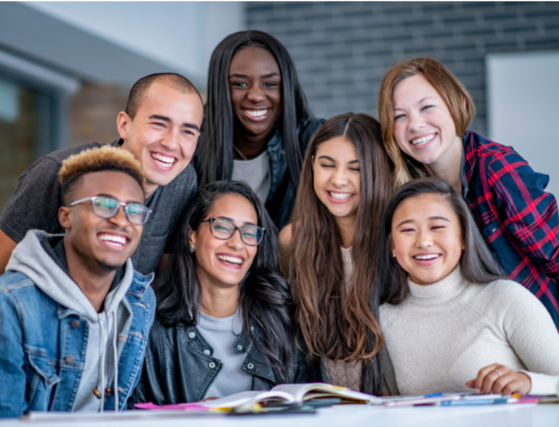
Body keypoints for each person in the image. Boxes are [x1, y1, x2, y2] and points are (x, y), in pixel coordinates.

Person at [378, 57, 559, 369]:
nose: (415, 124)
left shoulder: (495, 168)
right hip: (484, 349)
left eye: (427, 107)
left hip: (545, 339)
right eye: (400, 116)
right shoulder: (415, 192)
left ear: (455, 103)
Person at [378, 177, 559, 396]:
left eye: (437, 226)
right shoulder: (384, 319)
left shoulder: (505, 298)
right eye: (408, 230)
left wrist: (528, 383)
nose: (424, 241)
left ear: (463, 236)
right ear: (392, 245)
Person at [0, 146, 156, 417]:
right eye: (104, 205)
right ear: (66, 216)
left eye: (134, 210)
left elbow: (129, 408)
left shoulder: (140, 300)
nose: (121, 220)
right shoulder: (10, 305)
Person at [0, 73, 204, 276]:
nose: (171, 143)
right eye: (159, 124)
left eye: (187, 132)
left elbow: (161, 281)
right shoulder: (58, 173)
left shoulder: (183, 182)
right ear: (124, 125)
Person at [130, 180, 310, 405]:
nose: (237, 244)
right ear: (191, 236)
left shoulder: (282, 323)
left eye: (249, 232)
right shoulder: (152, 333)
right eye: (223, 226)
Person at [279, 113, 393, 395]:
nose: (338, 180)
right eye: (327, 165)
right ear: (312, 166)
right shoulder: (293, 239)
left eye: (355, 169)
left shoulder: (397, 240)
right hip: (327, 409)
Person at [194, 30, 325, 229]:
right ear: (220, 89)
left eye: (270, 84)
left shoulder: (314, 140)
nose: (256, 95)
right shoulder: (190, 146)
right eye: (240, 84)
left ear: (286, 89)